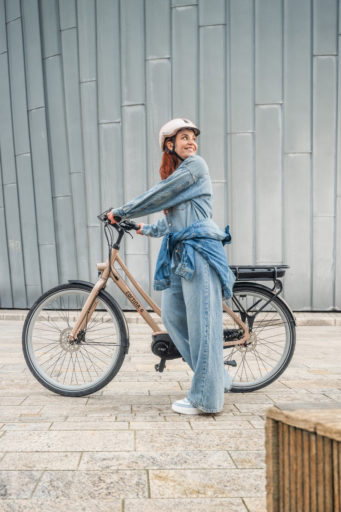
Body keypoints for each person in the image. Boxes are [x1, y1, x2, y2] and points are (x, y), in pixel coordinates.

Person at [107, 118, 235, 415]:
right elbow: (171, 221)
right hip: (182, 256)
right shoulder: (180, 175)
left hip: (200, 251)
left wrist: (121, 211)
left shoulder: (196, 166)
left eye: (193, 137)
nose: (192, 142)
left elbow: (158, 195)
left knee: (203, 326)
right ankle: (217, 378)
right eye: (185, 138)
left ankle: (206, 398)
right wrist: (140, 227)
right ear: (170, 144)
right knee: (175, 319)